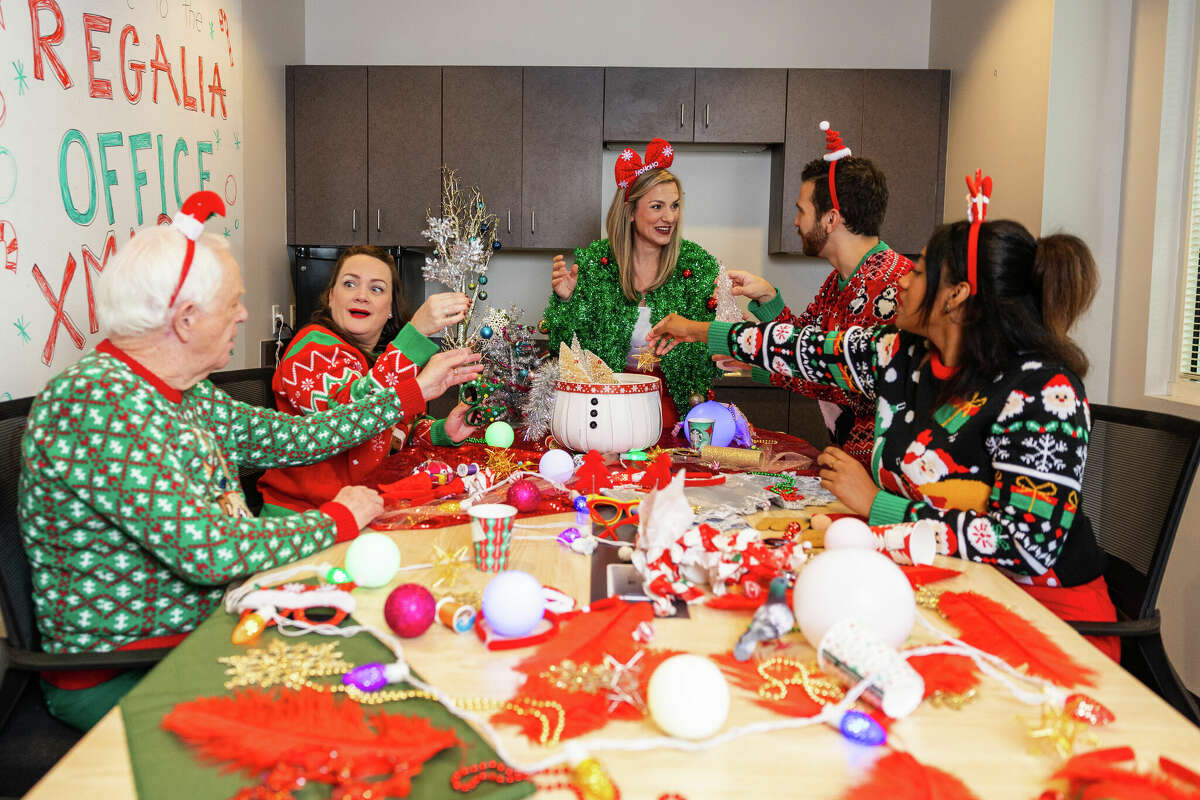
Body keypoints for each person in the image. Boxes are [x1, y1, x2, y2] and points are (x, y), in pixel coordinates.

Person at [16, 193, 479, 729]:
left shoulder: (183, 389)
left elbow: (293, 438)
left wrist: (408, 395)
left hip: (215, 624)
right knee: (346, 717)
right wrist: (339, 518)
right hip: (136, 669)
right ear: (186, 319)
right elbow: (212, 552)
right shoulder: (96, 407)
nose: (243, 313)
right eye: (231, 303)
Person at [649, 189, 1119, 659]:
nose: (904, 283)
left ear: (956, 297)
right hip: (938, 582)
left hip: (1042, 620)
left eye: (917, 272)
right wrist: (696, 329)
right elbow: (804, 349)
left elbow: (1026, 543)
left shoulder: (1044, 393)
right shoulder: (903, 353)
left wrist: (879, 506)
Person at [725, 121, 911, 467]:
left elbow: (830, 372)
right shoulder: (838, 281)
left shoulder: (892, 286)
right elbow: (801, 341)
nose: (795, 221)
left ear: (831, 219)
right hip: (847, 464)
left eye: (801, 210)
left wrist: (747, 352)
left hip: (879, 474)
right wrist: (767, 298)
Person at [258, 245, 484, 515]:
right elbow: (351, 415)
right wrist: (416, 332)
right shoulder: (311, 350)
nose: (361, 295)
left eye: (376, 289)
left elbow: (393, 432)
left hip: (363, 511)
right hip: (304, 519)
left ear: (389, 308)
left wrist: (441, 431)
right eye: (350, 284)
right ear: (331, 298)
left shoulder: (380, 360)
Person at [542, 137, 720, 427]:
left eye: (674, 205)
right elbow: (564, 354)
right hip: (603, 408)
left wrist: (720, 312)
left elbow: (706, 358)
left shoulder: (696, 265)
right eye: (657, 206)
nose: (669, 217)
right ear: (631, 212)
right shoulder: (596, 263)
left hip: (672, 409)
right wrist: (565, 301)